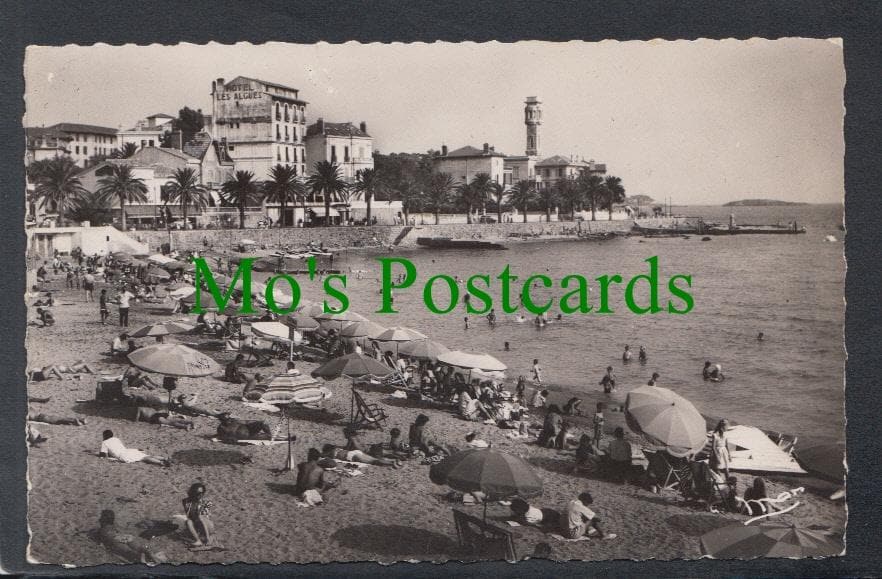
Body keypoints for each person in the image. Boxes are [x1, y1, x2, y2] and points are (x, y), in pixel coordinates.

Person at [98, 509, 168, 565]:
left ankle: (143, 558)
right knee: (139, 548)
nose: (100, 518)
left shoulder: (103, 529)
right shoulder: (113, 525)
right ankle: (150, 555)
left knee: (129, 551)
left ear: (103, 519)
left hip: (114, 539)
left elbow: (104, 537)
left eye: (101, 516)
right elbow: (120, 531)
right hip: (124, 536)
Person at [98, 430, 170, 466]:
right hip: (128, 451)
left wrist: (112, 458)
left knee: (144, 459)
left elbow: (104, 456)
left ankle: (160, 463)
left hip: (123, 455)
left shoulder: (104, 442)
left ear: (104, 436)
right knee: (146, 456)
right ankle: (163, 458)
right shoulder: (116, 439)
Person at [321, 443, 400, 468]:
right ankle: (393, 461)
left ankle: (391, 463)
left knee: (373, 461)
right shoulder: (338, 449)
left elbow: (323, 456)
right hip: (355, 452)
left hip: (351, 456)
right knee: (373, 459)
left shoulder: (332, 453)